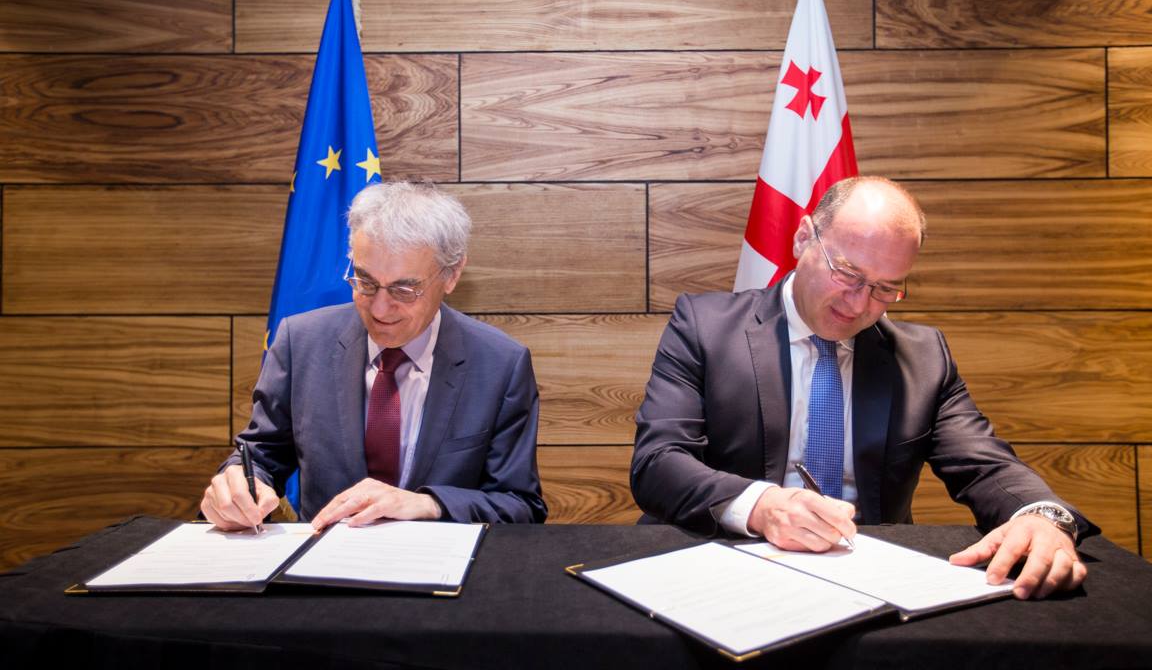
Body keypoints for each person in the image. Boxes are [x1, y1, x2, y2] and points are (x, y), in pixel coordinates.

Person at [631, 176, 1095, 600]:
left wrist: (1042, 516)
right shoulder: (706, 327)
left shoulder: (923, 357)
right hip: (723, 567)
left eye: (885, 289)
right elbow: (658, 463)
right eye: (847, 274)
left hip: (867, 580)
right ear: (803, 237)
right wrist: (761, 506)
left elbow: (985, 466)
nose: (858, 305)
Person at [202, 181, 547, 531]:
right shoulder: (301, 343)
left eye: (404, 289)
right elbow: (260, 458)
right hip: (326, 558)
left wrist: (428, 504)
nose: (380, 309)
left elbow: (520, 506)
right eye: (365, 282)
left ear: (452, 274)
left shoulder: (500, 365)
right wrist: (238, 485)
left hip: (439, 561)